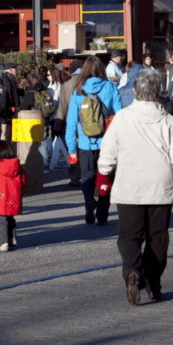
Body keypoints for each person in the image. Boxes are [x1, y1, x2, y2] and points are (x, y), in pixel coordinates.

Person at [96, 69, 173, 304]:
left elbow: (108, 152)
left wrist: (103, 178)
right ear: (159, 92)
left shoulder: (121, 118)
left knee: (129, 237)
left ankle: (133, 271)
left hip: (129, 187)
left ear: (135, 91)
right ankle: (153, 282)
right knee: (158, 238)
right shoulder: (169, 121)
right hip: (159, 188)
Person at [65, 55, 122, 226]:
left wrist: (71, 148)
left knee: (87, 177)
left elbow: (71, 121)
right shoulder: (110, 87)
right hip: (107, 142)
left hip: (84, 143)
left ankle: (89, 201)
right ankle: (102, 214)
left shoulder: (78, 90)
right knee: (106, 177)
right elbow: (120, 116)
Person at [52, 59, 84, 186]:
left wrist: (57, 126)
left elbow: (62, 107)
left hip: (71, 122)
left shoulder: (66, 85)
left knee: (73, 149)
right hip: (87, 121)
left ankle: (75, 177)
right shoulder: (88, 81)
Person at [1, 62, 21, 141]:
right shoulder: (7, 78)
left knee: (8, 129)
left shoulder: (8, 78)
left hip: (10, 108)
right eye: (15, 68)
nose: (16, 70)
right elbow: (9, 94)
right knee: (6, 130)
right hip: (9, 108)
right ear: (10, 69)